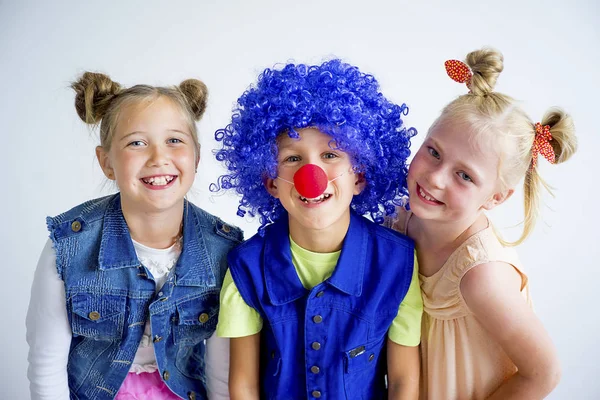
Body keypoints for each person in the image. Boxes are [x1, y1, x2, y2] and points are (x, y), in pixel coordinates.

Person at [213, 59, 423, 399]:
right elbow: (244, 386)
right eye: (292, 159)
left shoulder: (398, 264)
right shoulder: (246, 268)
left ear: (360, 176)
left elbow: (403, 382)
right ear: (270, 182)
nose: (311, 176)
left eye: (329, 155)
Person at [26, 72, 242, 400]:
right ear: (107, 162)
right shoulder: (69, 245)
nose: (158, 157)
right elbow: (46, 364)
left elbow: (222, 372)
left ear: (196, 156)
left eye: (174, 140)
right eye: (136, 143)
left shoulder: (222, 249)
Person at [386, 48, 577, 399]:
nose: (436, 178)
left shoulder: (480, 275)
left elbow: (544, 373)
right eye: (434, 151)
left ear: (495, 198)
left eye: (464, 175)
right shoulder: (398, 221)